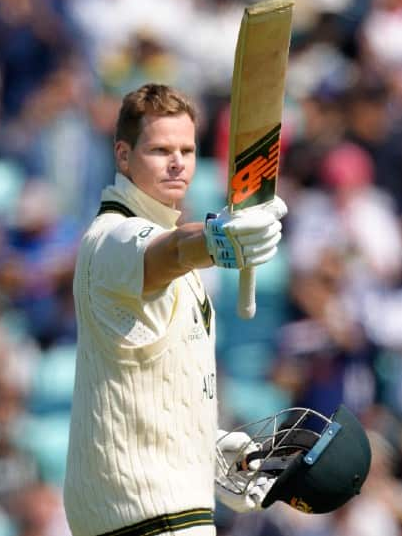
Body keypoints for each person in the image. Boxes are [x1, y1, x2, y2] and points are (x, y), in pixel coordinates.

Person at [63, 84, 287, 536]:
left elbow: (154, 381)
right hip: (150, 511)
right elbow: (172, 250)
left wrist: (207, 444)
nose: (177, 162)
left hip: (156, 506)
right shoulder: (111, 238)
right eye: (160, 149)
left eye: (186, 149)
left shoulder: (165, 252)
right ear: (123, 156)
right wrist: (217, 239)